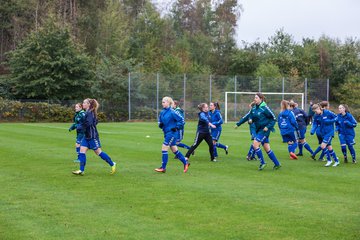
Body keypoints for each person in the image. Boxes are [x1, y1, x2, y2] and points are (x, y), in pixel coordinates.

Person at [235, 92, 281, 170]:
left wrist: (268, 127)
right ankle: (277, 164)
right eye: (254, 97)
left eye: (256, 97)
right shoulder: (254, 108)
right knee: (267, 149)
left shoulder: (265, 108)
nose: (254, 99)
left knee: (255, 144)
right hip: (259, 130)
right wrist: (245, 121)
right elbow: (249, 117)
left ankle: (262, 163)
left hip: (264, 130)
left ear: (261, 99)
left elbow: (273, 119)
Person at [72, 98, 116, 175]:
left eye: (84, 103)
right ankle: (81, 170)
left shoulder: (90, 113)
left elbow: (88, 123)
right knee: (82, 151)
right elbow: (95, 122)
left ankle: (112, 164)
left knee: (99, 152)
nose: (83, 104)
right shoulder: (88, 112)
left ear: (89, 104)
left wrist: (79, 126)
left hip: (93, 137)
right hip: (86, 136)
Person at [155, 97, 190, 173]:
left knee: (164, 148)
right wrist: (160, 125)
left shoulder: (172, 112)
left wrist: (177, 127)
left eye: (164, 102)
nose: (162, 103)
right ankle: (185, 162)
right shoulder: (162, 112)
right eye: (162, 102)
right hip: (166, 132)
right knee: (174, 149)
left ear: (168, 103)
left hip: (172, 133)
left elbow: (182, 120)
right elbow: (160, 121)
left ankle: (163, 168)